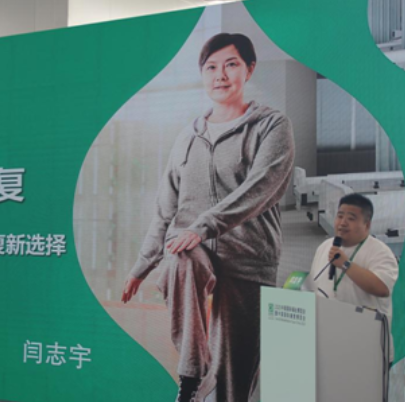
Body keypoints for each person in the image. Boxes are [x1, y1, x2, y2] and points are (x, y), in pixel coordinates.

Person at [121, 33, 294, 402]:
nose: (220, 75)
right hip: (191, 249)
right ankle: (190, 372)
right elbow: (166, 208)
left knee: (235, 377)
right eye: (211, 67)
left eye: (231, 64)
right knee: (180, 257)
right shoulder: (187, 137)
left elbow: (262, 186)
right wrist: (142, 265)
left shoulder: (271, 126)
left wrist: (205, 226)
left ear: (249, 69)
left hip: (249, 257)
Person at [305, 193, 399, 361]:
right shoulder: (325, 247)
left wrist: (345, 264)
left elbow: (382, 288)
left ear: (367, 224)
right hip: (330, 341)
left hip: (367, 346)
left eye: (351, 218)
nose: (343, 223)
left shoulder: (380, 252)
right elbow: (314, 285)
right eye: (340, 216)